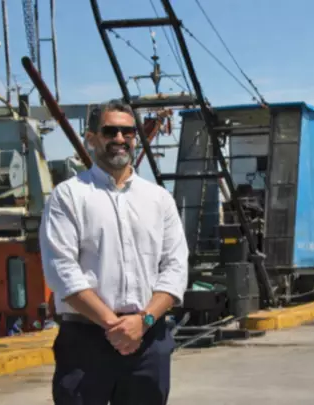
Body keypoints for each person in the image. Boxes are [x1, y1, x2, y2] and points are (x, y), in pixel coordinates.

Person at [39, 99, 189, 405]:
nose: (120, 138)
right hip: (85, 342)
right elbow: (62, 271)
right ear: (92, 138)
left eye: (127, 132)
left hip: (148, 340)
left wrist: (142, 322)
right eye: (110, 131)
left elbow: (175, 269)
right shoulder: (68, 196)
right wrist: (114, 325)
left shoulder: (159, 199)